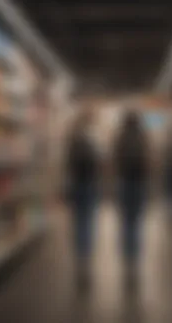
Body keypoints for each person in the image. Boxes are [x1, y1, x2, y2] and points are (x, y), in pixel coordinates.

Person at [114, 109, 149, 290]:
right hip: (139, 184)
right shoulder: (143, 137)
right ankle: (135, 258)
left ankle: (126, 257)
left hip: (124, 183)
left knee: (125, 222)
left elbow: (114, 160)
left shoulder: (120, 137)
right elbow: (149, 161)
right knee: (136, 222)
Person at [65, 107, 99, 290]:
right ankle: (85, 255)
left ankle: (80, 256)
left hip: (76, 184)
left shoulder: (72, 138)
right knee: (87, 221)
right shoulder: (90, 138)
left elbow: (68, 162)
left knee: (78, 221)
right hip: (88, 184)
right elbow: (96, 161)